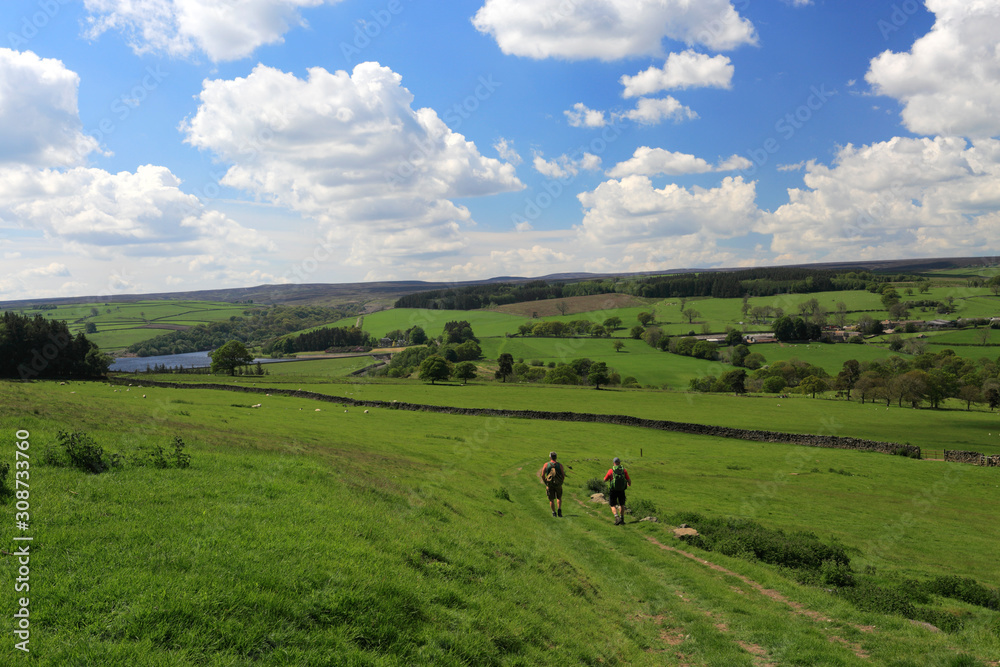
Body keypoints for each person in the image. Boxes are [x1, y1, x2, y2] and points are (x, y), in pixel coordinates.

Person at [603, 456, 631, 525]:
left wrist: (604, 481)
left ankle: (616, 517)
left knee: (612, 504)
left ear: (613, 463)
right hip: (621, 489)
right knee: (622, 504)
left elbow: (605, 479)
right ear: (619, 463)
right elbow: (628, 479)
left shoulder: (611, 470)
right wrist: (629, 484)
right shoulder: (623, 470)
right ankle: (622, 519)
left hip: (613, 490)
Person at [539, 451, 566, 517]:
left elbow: (542, 475)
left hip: (550, 484)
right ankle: (559, 510)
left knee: (551, 499)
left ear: (550, 457)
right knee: (559, 497)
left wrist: (545, 482)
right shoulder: (560, 465)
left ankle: (554, 513)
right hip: (558, 484)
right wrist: (561, 481)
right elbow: (563, 475)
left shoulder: (546, 465)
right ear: (556, 457)